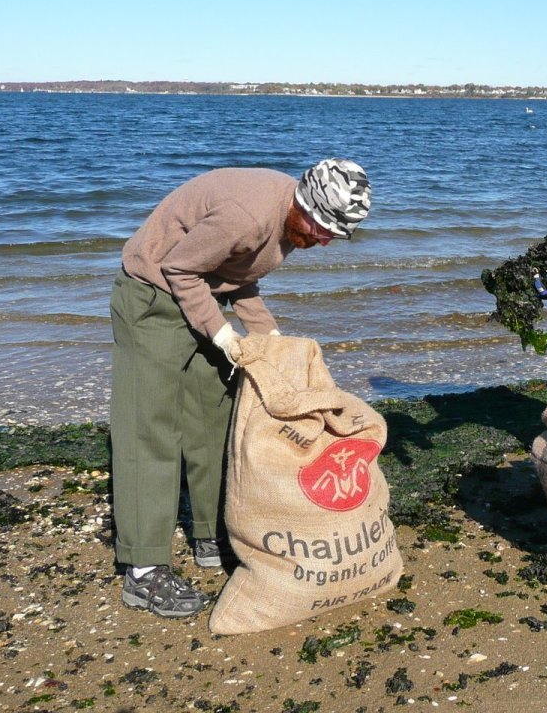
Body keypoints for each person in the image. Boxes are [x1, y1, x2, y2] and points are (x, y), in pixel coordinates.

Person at [110, 158, 372, 617]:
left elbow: (237, 275)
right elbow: (180, 269)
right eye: (319, 229)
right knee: (149, 429)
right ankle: (144, 570)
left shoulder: (290, 223)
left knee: (214, 420)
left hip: (199, 297)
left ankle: (211, 536)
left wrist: (267, 336)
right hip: (153, 297)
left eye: (333, 235)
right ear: (302, 202)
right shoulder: (247, 214)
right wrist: (222, 334)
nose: (320, 241)